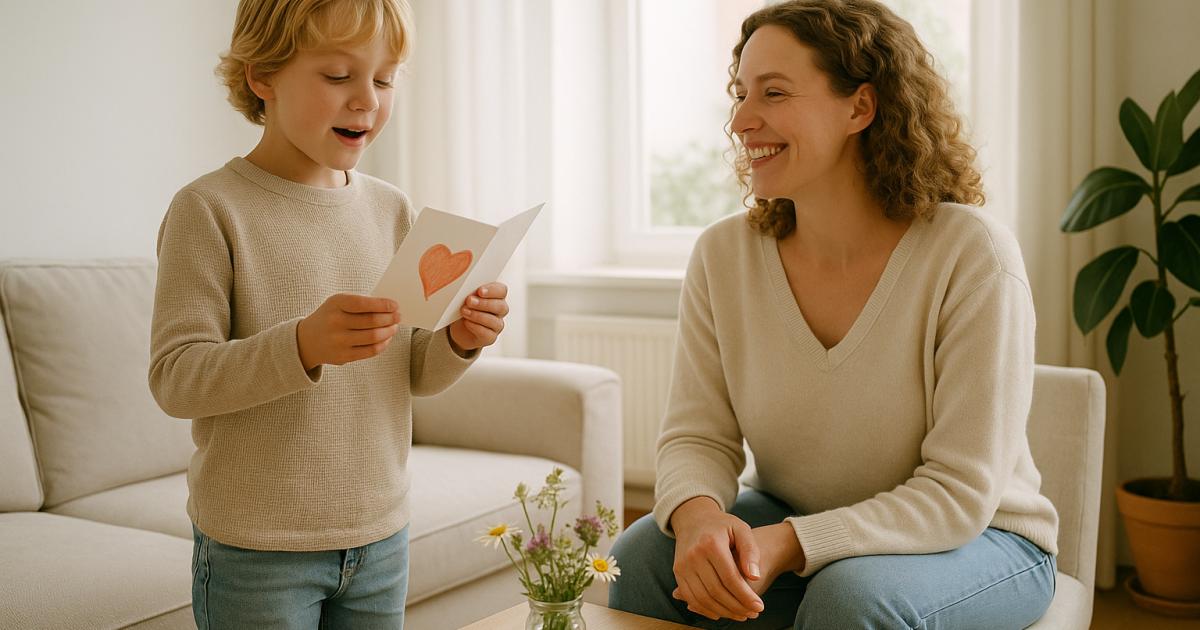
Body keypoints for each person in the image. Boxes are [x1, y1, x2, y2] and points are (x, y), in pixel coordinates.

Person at [608, 1, 1058, 628]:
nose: (740, 119)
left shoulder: (971, 253)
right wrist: (700, 520)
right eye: (741, 93)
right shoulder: (723, 255)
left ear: (860, 107)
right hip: (797, 516)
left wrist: (790, 543)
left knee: (851, 598)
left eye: (774, 92)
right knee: (645, 557)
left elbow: (959, 494)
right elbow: (697, 435)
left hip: (980, 539)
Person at [148, 1, 510, 627]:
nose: (367, 100)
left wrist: (456, 340)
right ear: (263, 75)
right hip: (256, 550)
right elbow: (177, 379)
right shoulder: (209, 209)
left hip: (380, 535)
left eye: (385, 78)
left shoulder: (392, 209)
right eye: (339, 76)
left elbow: (411, 373)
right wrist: (303, 345)